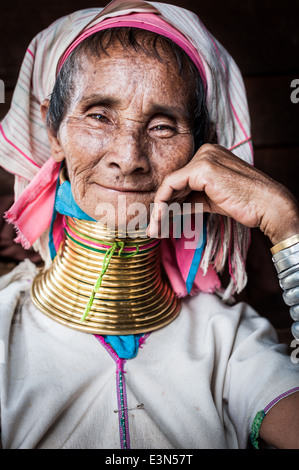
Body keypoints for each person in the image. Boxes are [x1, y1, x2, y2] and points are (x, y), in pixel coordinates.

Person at [0, 0, 298, 450]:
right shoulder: (5, 330)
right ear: (53, 128)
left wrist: (287, 223)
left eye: (163, 126)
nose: (129, 158)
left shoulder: (227, 339)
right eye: (99, 115)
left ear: (202, 149)